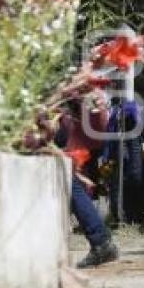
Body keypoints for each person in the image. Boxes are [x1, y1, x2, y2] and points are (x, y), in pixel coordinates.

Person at [56, 81, 120, 269]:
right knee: (70, 182)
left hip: (82, 137)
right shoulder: (87, 89)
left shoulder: (82, 88)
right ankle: (100, 240)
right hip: (84, 135)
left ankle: (100, 240)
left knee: (69, 182)